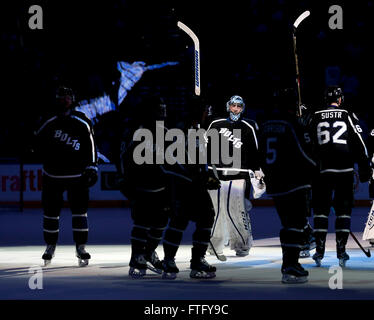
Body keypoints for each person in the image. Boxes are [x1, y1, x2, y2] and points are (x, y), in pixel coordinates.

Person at [34, 86, 98, 267]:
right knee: (50, 214)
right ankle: (50, 246)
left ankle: (81, 247)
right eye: (60, 97)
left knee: (79, 212)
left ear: (72, 99)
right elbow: (35, 141)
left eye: (66, 97)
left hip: (77, 176)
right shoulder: (47, 120)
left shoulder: (82, 121)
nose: (63, 100)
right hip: (51, 175)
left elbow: (91, 145)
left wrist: (93, 167)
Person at [309, 86, 371, 267]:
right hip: (344, 170)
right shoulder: (347, 114)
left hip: (321, 171)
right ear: (340, 99)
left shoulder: (315, 116)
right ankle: (341, 250)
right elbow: (360, 142)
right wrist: (365, 167)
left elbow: (307, 141)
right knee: (344, 211)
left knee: (321, 211)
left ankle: (319, 251)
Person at [259, 88, 316, 284]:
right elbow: (303, 153)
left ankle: (289, 264)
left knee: (288, 224)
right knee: (296, 224)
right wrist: (317, 170)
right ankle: (291, 266)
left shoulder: (266, 124)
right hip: (294, 181)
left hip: (275, 183)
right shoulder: (292, 124)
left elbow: (260, 154)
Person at [204, 95, 264, 260]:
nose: (236, 109)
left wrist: (258, 174)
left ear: (243, 108)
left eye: (239, 106)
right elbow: (203, 146)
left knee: (236, 211)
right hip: (215, 174)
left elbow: (255, 152)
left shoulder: (248, 126)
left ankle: (242, 244)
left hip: (238, 174)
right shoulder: (215, 124)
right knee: (215, 213)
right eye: (233, 105)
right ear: (228, 106)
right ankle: (214, 245)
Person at [117, 95, 170, 278]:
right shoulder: (136, 131)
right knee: (142, 223)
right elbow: (124, 158)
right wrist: (125, 181)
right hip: (141, 187)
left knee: (161, 223)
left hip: (162, 187)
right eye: (159, 108)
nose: (163, 111)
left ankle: (148, 253)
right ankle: (137, 256)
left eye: (164, 108)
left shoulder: (167, 132)